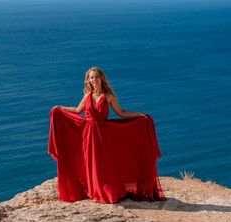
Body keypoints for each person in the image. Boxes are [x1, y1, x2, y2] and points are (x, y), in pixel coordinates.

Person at [48, 67, 166, 204]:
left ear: (101, 78)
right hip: (89, 134)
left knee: (104, 163)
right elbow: (77, 110)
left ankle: (107, 190)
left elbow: (121, 112)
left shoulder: (109, 96)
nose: (94, 80)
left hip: (103, 134)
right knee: (92, 163)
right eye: (91, 77)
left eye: (96, 77)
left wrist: (139, 115)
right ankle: (95, 191)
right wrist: (59, 108)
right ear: (89, 80)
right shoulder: (87, 95)